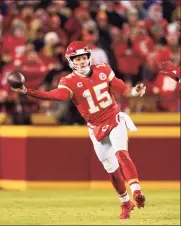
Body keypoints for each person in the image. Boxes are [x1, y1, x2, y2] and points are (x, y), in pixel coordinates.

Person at [10, 41, 146, 220]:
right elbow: (55, 96)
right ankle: (125, 202)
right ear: (71, 61)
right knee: (112, 171)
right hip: (95, 127)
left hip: (114, 118)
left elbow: (124, 89)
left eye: (83, 58)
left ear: (89, 58)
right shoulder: (69, 81)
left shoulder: (103, 69)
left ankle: (136, 191)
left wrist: (135, 92)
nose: (81, 62)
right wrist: (28, 91)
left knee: (121, 153)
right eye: (77, 59)